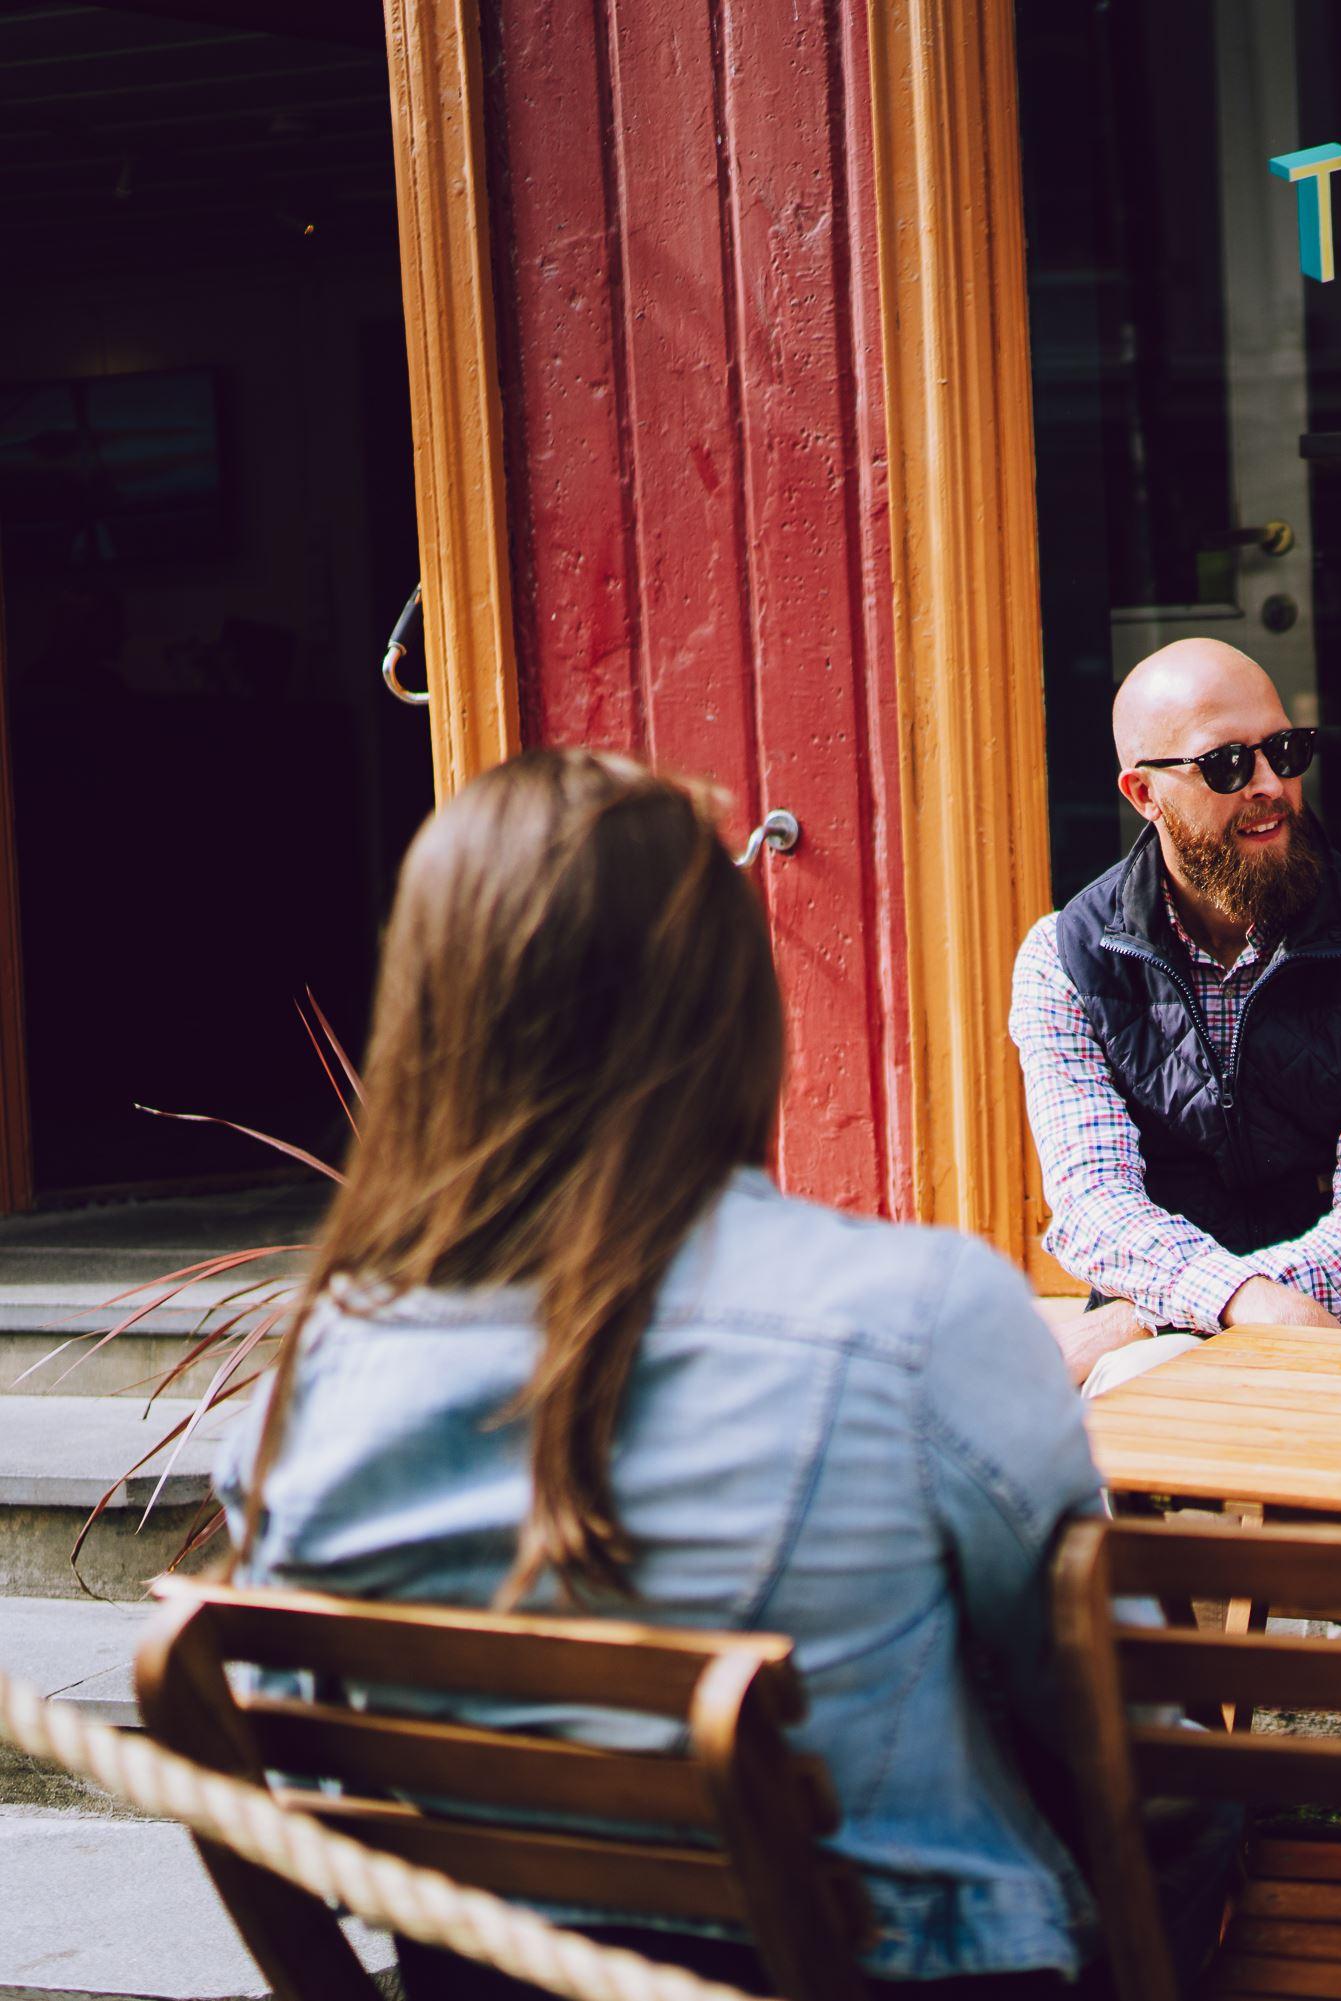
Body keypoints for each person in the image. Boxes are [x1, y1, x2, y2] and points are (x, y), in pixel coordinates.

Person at [217, 749, 1121, 1995]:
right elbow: (1099, 1711)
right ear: (732, 1002)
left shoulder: (307, 1382)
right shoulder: (921, 1313)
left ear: (429, 1013)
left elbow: (313, 1778)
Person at [1011, 637, 1341, 1394]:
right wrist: (1236, 1301)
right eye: (1226, 764)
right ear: (1143, 795)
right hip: (1169, 1335)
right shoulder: (1063, 959)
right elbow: (1097, 1204)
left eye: (1284, 751)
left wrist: (1146, 1314)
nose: (1271, 785)